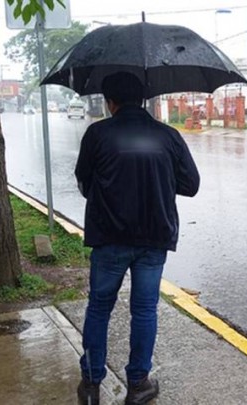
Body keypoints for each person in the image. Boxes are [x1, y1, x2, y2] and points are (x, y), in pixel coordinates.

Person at [75, 72, 200, 405]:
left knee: (99, 309)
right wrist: (158, 178)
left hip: (109, 237)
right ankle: (138, 384)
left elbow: (84, 182)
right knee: (144, 311)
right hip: (154, 239)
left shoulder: (97, 134)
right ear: (143, 100)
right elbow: (191, 185)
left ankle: (90, 385)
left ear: (110, 102)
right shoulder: (168, 136)